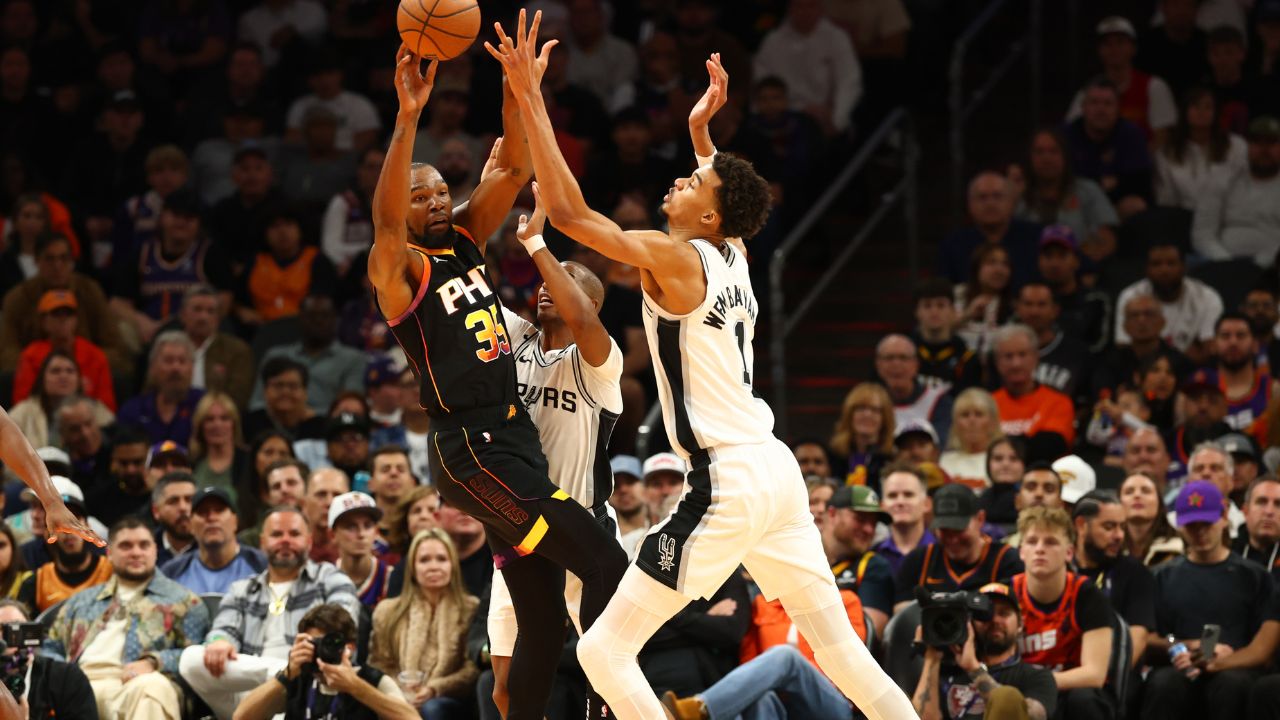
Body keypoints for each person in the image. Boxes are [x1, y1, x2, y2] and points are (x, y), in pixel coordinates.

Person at [490, 20, 914, 719]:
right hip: (775, 471)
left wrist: (532, 97)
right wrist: (701, 135)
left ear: (710, 215)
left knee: (603, 652)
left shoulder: (679, 257)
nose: (682, 179)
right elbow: (733, 200)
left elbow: (569, 213)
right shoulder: (734, 254)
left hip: (728, 480)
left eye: (693, 180)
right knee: (841, 650)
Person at [371, 37, 628, 720]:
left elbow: (513, 166)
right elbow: (386, 220)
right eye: (420, 197)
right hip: (472, 451)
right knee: (606, 564)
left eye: (441, 192)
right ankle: (609, 707)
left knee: (541, 621)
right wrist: (408, 116)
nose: (435, 203)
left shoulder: (462, 241)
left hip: (510, 444)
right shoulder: (399, 270)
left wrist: (519, 89)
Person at [488, 188, 628, 715]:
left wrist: (538, 245)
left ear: (591, 304)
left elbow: (585, 325)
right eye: (547, 279)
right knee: (506, 685)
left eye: (566, 281)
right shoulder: (518, 339)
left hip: (582, 522)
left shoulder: (600, 362)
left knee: (604, 662)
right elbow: (472, 292)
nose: (548, 285)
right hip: (522, 522)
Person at [178, 506, 360, 720]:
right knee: (190, 659)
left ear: (309, 541)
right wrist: (219, 642)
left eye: (294, 534)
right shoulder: (242, 589)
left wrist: (300, 665)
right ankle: (281, 672)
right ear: (262, 543)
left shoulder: (331, 579)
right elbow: (223, 630)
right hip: (251, 693)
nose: (285, 540)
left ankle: (287, 676)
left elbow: (342, 632)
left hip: (307, 685)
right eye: (276, 534)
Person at [44, 516, 211, 720]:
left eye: (144, 545)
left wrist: (154, 662)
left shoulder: (184, 600)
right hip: (80, 686)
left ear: (155, 551)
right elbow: (49, 649)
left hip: (137, 684)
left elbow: (198, 654)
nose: (136, 552)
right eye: (126, 546)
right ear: (109, 553)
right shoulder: (80, 601)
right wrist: (65, 677)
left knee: (152, 687)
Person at [1141, 481, 1275, 720]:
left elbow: (1262, 648)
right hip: (1179, 665)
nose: (1200, 532)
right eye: (1192, 526)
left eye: (1206, 523)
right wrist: (1182, 645)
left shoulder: (1255, 577)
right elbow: (1157, 636)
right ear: (1180, 526)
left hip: (1236, 667)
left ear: (1223, 517)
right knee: (1164, 684)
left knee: (1232, 684)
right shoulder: (1161, 577)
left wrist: (1225, 660)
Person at [1012, 507, 1116, 718]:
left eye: (1050, 542)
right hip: (1022, 694)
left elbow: (1094, 674)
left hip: (1071, 694)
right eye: (1032, 541)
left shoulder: (1087, 595)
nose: (1040, 549)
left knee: (1085, 699)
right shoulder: (1005, 595)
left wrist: (1037, 684)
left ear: (1069, 552)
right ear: (1021, 551)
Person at [233, 603, 417, 720]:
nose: (321, 651)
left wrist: (356, 687)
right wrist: (287, 674)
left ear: (350, 647)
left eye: (329, 644)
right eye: (315, 644)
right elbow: (241, 717)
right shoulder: (297, 678)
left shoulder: (372, 681)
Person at [369, 529, 478, 720]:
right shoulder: (387, 611)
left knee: (432, 709)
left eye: (441, 559)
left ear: (453, 565)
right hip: (399, 698)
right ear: (412, 567)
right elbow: (379, 664)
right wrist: (400, 690)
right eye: (424, 560)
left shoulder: (471, 608)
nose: (433, 566)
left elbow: (471, 668)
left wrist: (434, 688)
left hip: (449, 702)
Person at [910, 582, 1058, 720]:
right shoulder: (946, 671)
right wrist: (932, 657)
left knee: (1008, 696)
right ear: (970, 623)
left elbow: (1033, 716)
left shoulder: (1037, 676)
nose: (995, 620)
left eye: (1004, 613)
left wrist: (974, 669)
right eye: (985, 615)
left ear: (1020, 623)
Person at [894, 483, 1023, 614]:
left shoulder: (1007, 561)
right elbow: (901, 613)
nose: (953, 539)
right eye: (944, 530)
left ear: (980, 519)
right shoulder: (919, 560)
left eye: (958, 530)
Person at [1071, 491, 1156, 666]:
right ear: (1081, 525)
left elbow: (1137, 638)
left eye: (1122, 527)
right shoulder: (1060, 569)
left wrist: (1098, 675)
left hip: (1113, 673)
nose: (1119, 536)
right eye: (1109, 527)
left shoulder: (1134, 572)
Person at [1010, 130, 1119, 262]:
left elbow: (1107, 235)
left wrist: (1086, 261)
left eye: (1053, 151)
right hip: (1028, 265)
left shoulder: (1088, 190)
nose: (1046, 158)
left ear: (1065, 156)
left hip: (1081, 264)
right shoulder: (1018, 196)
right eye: (1039, 152)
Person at [1114, 241, 1223, 365]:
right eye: (1156, 264)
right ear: (1146, 269)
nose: (1164, 270)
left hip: (1190, 370)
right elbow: (1124, 347)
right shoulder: (1131, 296)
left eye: (1171, 263)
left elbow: (1209, 349)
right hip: (1141, 368)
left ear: (1184, 267)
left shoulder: (1207, 297)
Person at [1192, 116, 1280, 264]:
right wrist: (1226, 262)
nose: (1264, 150)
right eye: (1257, 142)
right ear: (1247, 146)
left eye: (1271, 143)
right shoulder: (1222, 178)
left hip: (1274, 266)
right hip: (1222, 262)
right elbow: (1203, 233)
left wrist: (1264, 263)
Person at [16, 478, 112, 612]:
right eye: (34, 506)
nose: (35, 515)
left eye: (42, 507)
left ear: (87, 524)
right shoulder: (27, 559)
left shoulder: (110, 567)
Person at [12, 288, 116, 410]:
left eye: (68, 314)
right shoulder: (30, 355)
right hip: (41, 416)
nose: (63, 319)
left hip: (86, 416)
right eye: (56, 314)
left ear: (76, 320)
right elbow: (22, 401)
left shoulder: (95, 355)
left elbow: (107, 405)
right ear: (43, 321)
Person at [939, 172, 1042, 289]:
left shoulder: (1036, 237)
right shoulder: (953, 244)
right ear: (970, 204)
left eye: (997, 196)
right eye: (982, 197)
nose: (990, 203)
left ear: (1012, 202)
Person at [990, 324, 1075, 462]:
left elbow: (1049, 447)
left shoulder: (1058, 403)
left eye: (1022, 354)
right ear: (997, 362)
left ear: (1036, 357)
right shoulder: (987, 404)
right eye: (1008, 356)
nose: (1016, 363)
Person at [0, 598, 97, 717]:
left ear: (31, 633)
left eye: (16, 626)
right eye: (1, 628)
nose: (9, 635)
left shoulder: (66, 677)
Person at [1155, 86, 1248, 209]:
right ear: (1184, 112)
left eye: (1208, 107)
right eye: (1195, 106)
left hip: (1229, 213)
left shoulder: (1236, 146)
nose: (1201, 111)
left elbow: (1246, 187)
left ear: (1216, 113)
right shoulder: (1167, 153)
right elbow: (1166, 199)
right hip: (1184, 215)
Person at [162, 486, 267, 594]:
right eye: (202, 512)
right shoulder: (172, 572)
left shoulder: (262, 565)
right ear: (191, 525)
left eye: (219, 510)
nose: (211, 518)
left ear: (235, 521)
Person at [822, 484, 895, 638]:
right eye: (860, 519)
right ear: (833, 514)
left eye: (874, 523)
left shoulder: (873, 566)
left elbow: (869, 635)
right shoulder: (800, 557)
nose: (869, 529)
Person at [117, 331, 205, 446]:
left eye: (182, 361)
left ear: (192, 368)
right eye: (168, 361)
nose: (175, 368)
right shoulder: (133, 410)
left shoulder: (205, 406)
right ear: (153, 367)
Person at [876, 334, 954, 443]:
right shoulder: (868, 403)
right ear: (878, 365)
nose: (896, 364)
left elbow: (940, 444)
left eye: (903, 358)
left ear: (916, 364)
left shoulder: (939, 402)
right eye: (889, 358)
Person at [911, 277, 980, 393]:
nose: (934, 312)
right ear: (917, 312)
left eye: (941, 305)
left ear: (953, 310)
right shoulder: (904, 354)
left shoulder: (967, 358)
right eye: (927, 306)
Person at [330, 491, 395, 609]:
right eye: (351, 526)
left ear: (376, 532)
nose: (361, 534)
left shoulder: (392, 578)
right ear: (332, 535)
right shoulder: (324, 580)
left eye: (368, 525)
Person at [830, 382, 896, 491]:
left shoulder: (893, 459)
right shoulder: (833, 456)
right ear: (849, 414)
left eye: (875, 410)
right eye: (861, 408)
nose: (867, 414)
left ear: (885, 418)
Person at [872, 464, 935, 576]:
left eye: (908, 495)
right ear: (882, 506)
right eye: (892, 496)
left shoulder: (944, 553)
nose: (900, 502)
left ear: (926, 504)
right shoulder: (872, 557)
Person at [1234, 476, 1280, 574]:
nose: (1269, 511)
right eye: (1261, 502)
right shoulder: (1226, 553)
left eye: (1278, 504)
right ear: (1245, 511)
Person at [151, 472, 195, 566]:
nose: (183, 507)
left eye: (189, 500)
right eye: (173, 501)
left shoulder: (214, 548)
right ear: (156, 511)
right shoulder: (146, 550)